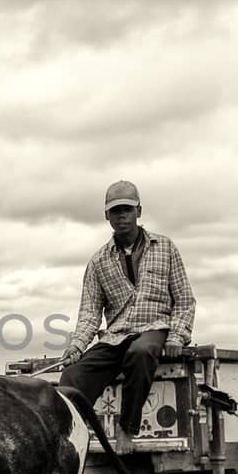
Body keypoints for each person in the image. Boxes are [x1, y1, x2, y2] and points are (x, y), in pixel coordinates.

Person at [58, 180, 196, 436]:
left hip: (155, 328)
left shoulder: (165, 247)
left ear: (139, 211)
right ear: (107, 216)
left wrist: (177, 336)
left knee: (141, 352)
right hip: (116, 336)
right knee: (72, 376)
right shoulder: (98, 261)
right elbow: (90, 312)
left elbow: (184, 300)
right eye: (115, 211)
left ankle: (127, 429)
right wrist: (77, 345)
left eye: (127, 209)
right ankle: (73, 434)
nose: (122, 216)